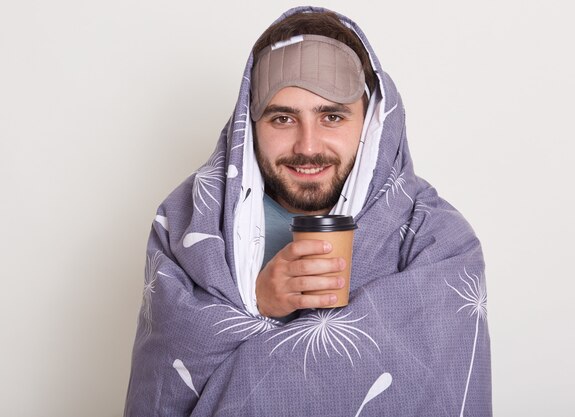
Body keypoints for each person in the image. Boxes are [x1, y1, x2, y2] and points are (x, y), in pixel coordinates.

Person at [125, 6, 491, 417]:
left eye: (332, 116)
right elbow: (164, 386)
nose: (308, 146)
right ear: (250, 123)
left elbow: (441, 390)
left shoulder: (436, 240)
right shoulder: (187, 225)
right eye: (283, 118)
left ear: (371, 122)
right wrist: (255, 303)